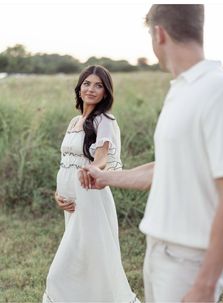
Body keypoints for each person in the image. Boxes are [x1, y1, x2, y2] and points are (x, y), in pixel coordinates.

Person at [80, 5, 223, 303]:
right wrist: (104, 176)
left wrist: (205, 284)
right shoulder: (181, 90)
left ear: (159, 34)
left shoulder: (221, 92)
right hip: (158, 248)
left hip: (190, 259)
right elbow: (164, 169)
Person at [42, 65, 139, 303]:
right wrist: (59, 192)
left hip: (89, 199)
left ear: (106, 92)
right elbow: (66, 162)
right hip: (71, 204)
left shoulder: (104, 120)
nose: (91, 89)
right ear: (79, 87)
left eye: (99, 85)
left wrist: (93, 169)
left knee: (66, 270)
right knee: (84, 264)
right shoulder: (76, 120)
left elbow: (102, 158)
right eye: (87, 83)